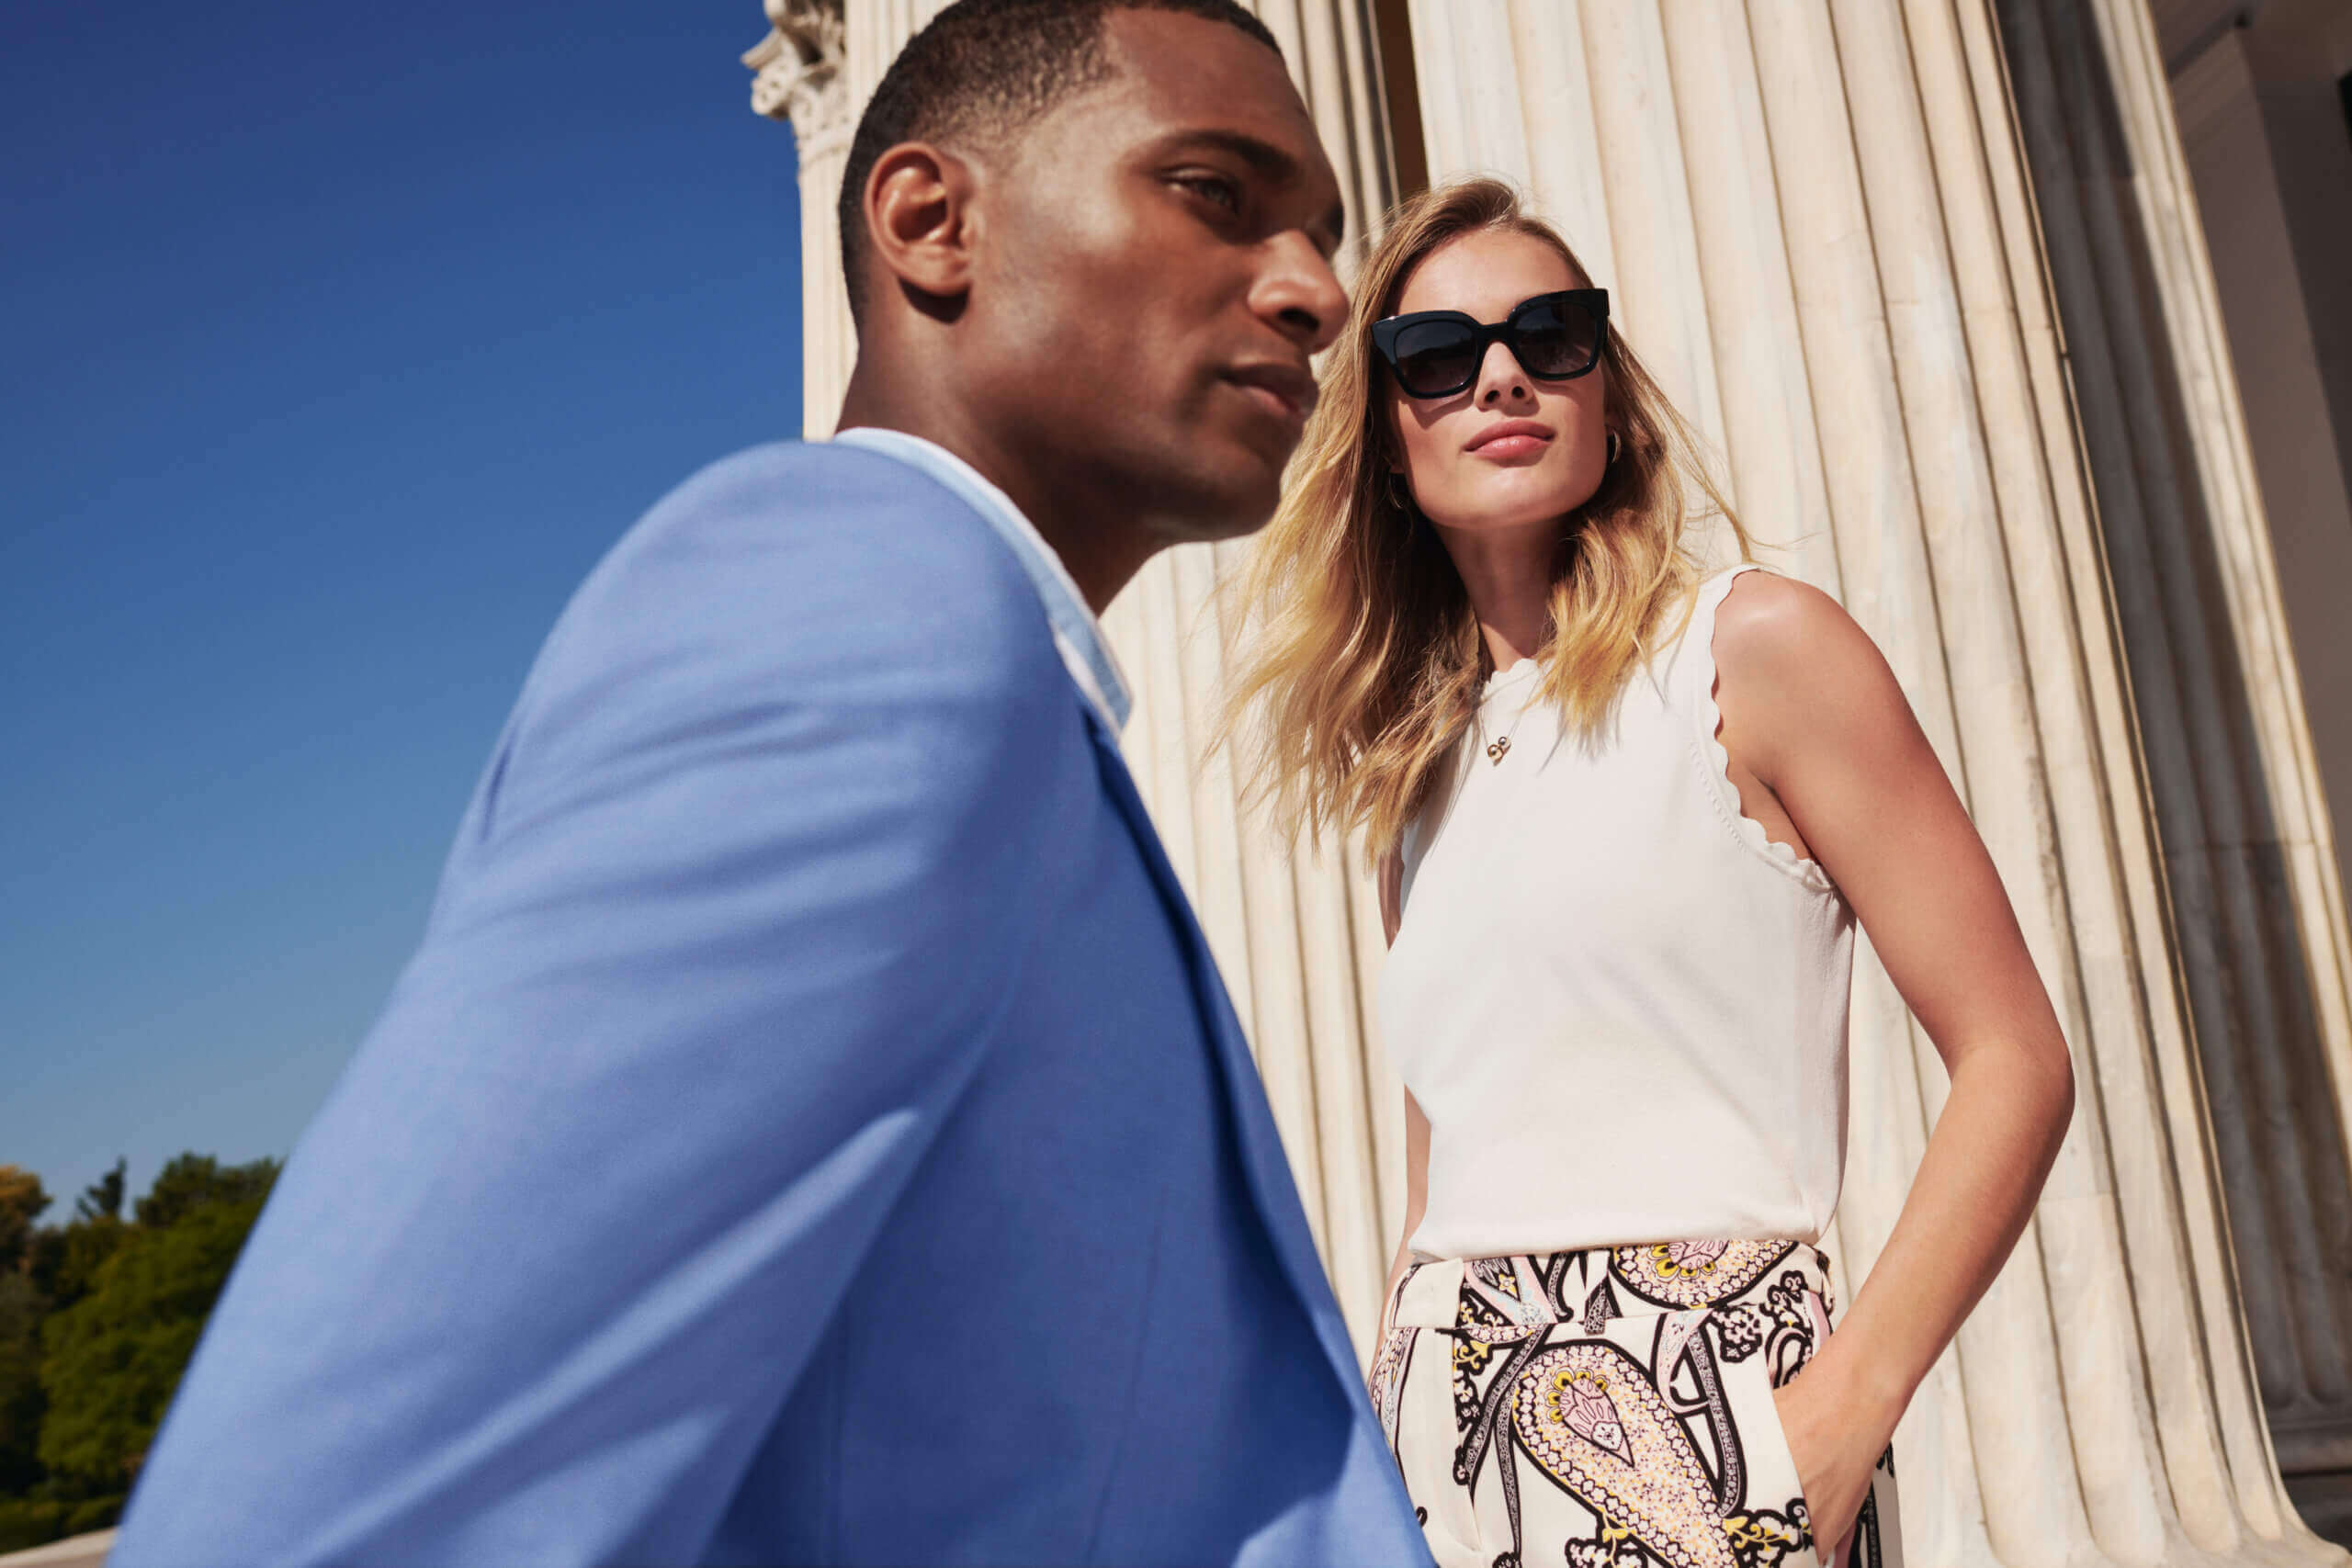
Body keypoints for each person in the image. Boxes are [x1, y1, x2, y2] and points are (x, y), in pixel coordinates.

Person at [111, 4, 1431, 1563]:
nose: (1320, 292)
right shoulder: (859, 611)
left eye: (1322, 232)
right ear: (931, 224)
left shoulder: (986, 676)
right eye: (1215, 192)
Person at [1224, 177, 2076, 1568]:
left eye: (1550, 335)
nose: (1501, 376)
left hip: (1715, 1402)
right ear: (1385, 442)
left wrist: (1842, 1415)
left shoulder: (1754, 652)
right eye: (1435, 357)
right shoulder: (1418, 782)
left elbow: (2016, 1057)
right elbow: (1442, 1190)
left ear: (1608, 396)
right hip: (1443, 1434)